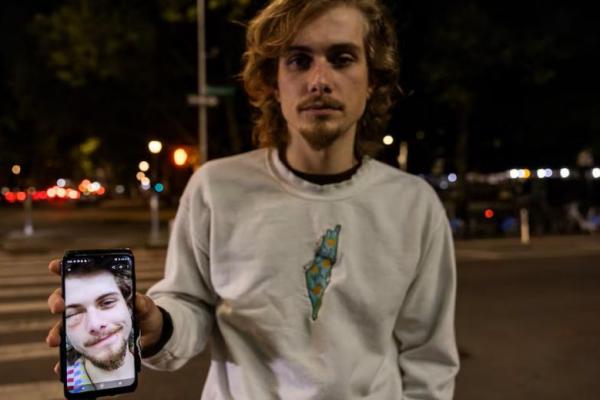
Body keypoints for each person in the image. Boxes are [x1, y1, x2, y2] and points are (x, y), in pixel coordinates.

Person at [48, 0, 459, 398]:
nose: (319, 80)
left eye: (342, 58)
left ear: (372, 80)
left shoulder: (414, 205)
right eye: (299, 60)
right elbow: (189, 303)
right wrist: (158, 325)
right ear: (273, 82)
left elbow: (429, 358)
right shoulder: (216, 188)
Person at [62, 262, 136, 393]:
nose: (95, 324)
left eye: (107, 302)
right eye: (73, 314)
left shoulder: (154, 360)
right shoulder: (71, 385)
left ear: (129, 307)